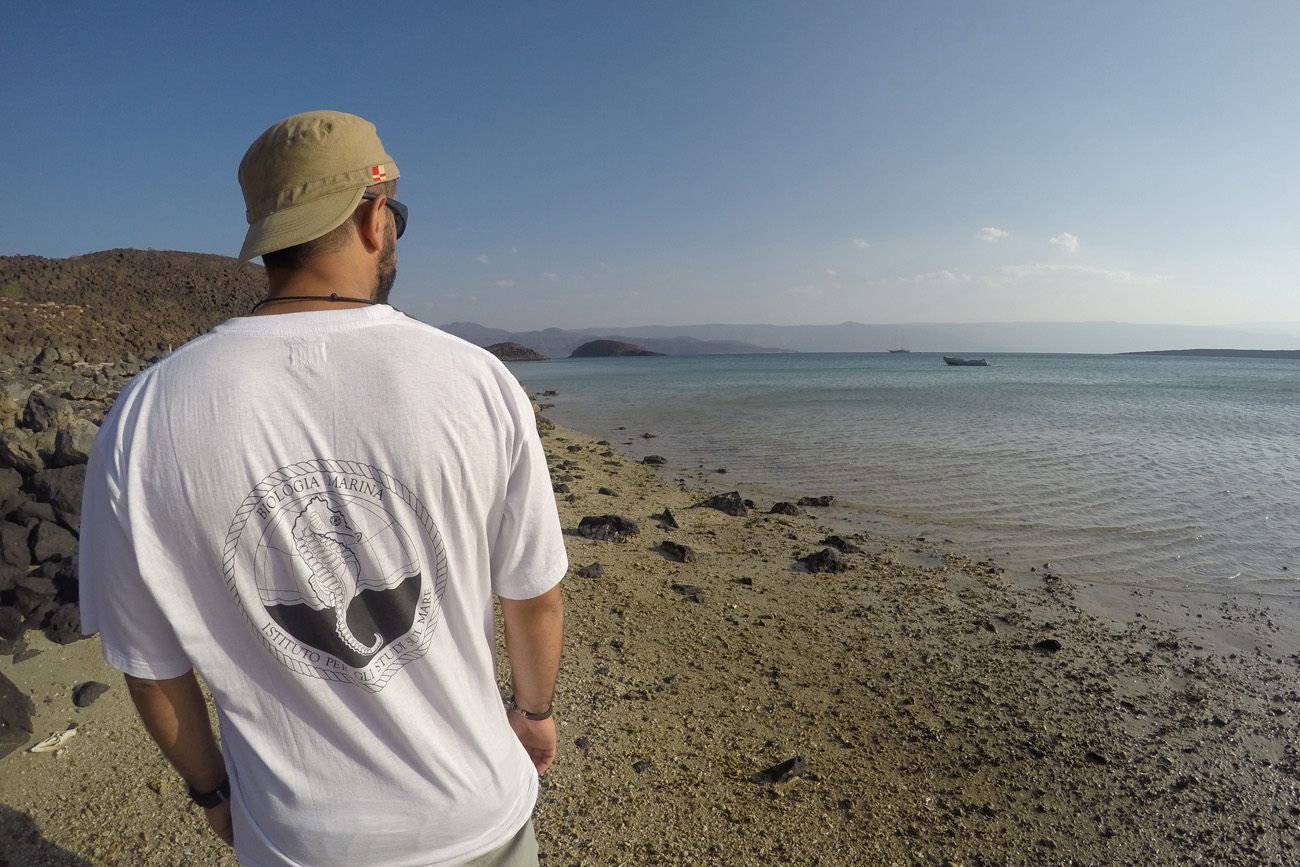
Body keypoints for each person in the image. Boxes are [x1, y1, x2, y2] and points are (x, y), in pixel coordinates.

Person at [79, 110, 567, 867]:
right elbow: (534, 598)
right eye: (396, 216)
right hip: (472, 815)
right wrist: (532, 713)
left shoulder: (142, 416)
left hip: (296, 838)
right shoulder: (476, 382)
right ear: (376, 217)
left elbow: (150, 668)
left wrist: (213, 793)